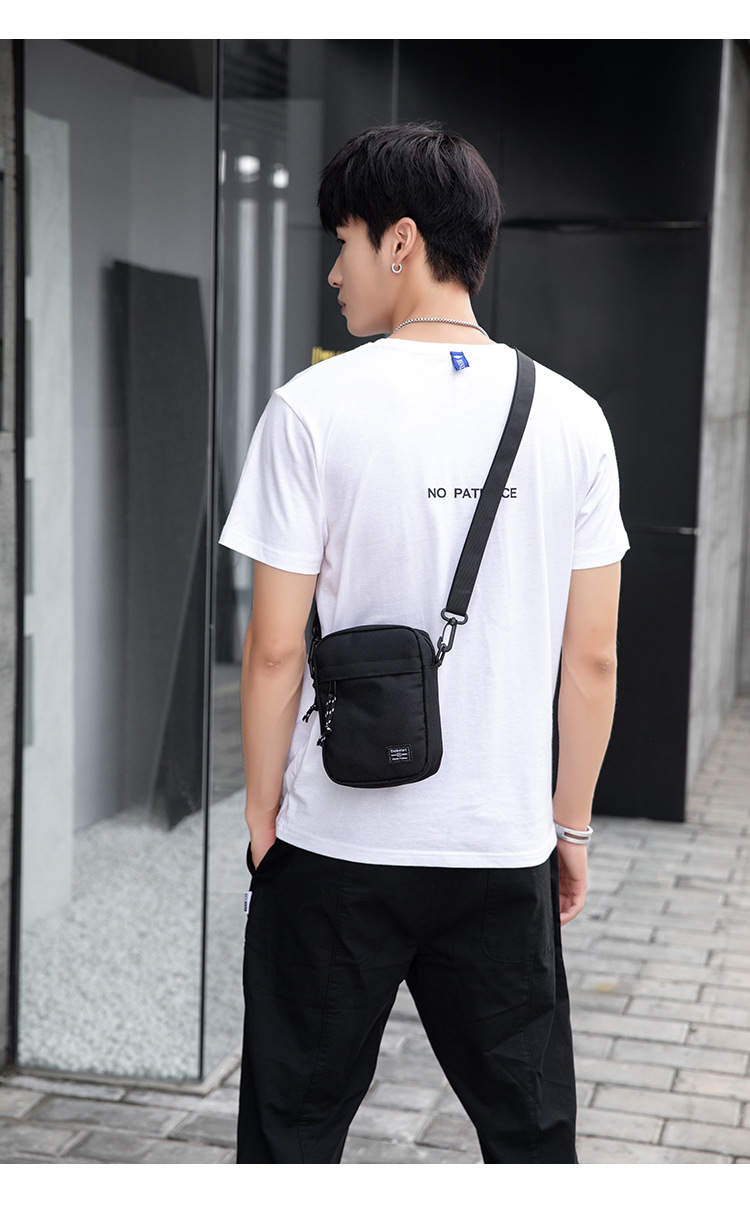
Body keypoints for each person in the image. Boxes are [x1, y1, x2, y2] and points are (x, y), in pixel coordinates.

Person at [220, 123, 628, 1164]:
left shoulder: (310, 410)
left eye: (345, 242)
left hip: (335, 847)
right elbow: (592, 659)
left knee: (289, 1140)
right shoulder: (574, 419)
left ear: (400, 241)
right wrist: (568, 827)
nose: (334, 271)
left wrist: (265, 817)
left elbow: (273, 651)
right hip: (499, 847)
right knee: (532, 1144)